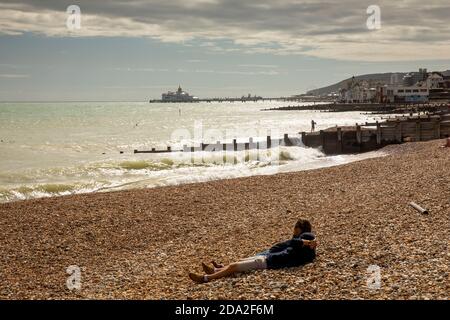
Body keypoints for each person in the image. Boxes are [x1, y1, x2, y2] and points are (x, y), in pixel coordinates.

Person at [188, 219, 317, 284]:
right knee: (237, 263)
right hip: (269, 258)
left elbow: (295, 243)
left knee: (234, 266)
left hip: (268, 262)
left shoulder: (308, 237)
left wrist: (307, 241)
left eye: (295, 227)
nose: (293, 230)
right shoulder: (304, 247)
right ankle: (215, 271)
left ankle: (205, 278)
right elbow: (297, 249)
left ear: (301, 229)